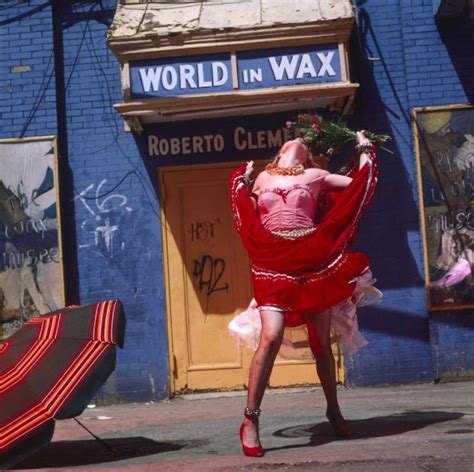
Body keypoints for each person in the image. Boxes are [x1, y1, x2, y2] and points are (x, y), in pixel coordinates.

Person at [229, 129, 379, 457]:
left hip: (312, 261)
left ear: (306, 154)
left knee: (321, 345)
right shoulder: (260, 179)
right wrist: (241, 181)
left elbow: (358, 187)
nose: (296, 139)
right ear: (278, 152)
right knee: (270, 336)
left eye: (303, 141)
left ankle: (333, 411)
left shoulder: (316, 175)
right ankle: (250, 420)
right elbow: (248, 216)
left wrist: (364, 147)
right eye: (288, 139)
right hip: (271, 262)